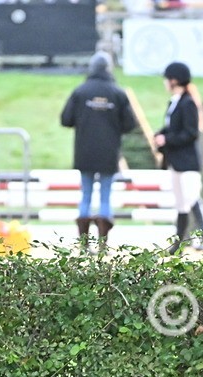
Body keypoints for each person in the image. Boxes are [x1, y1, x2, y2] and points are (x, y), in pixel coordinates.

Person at [60, 51, 137, 250]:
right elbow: (130, 124)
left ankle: (84, 244)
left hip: (84, 152)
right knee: (105, 195)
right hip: (108, 153)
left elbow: (65, 120)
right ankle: (103, 243)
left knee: (85, 195)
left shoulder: (80, 92)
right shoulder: (118, 93)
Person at [154, 62, 203, 254]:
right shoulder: (174, 102)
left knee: (191, 198)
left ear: (174, 80)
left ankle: (202, 234)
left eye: (167, 79)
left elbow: (191, 133)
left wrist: (167, 138)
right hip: (175, 160)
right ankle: (178, 243)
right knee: (181, 202)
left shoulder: (188, 103)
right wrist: (160, 135)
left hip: (187, 161)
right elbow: (171, 128)